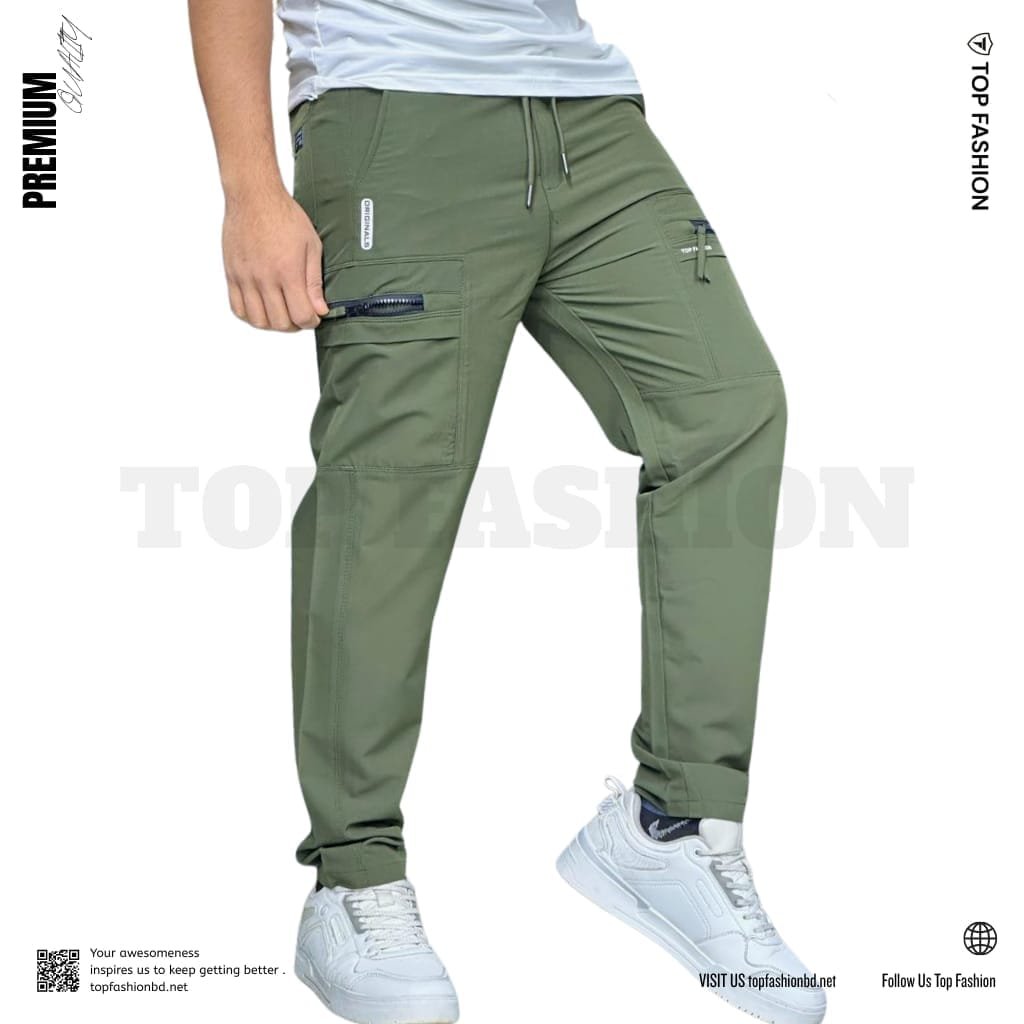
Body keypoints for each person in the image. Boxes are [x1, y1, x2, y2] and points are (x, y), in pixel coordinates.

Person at [189, 2, 825, 1022]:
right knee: (394, 488)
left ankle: (674, 823)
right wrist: (250, 187)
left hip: (587, 111)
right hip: (396, 106)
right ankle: (353, 880)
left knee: (724, 410)